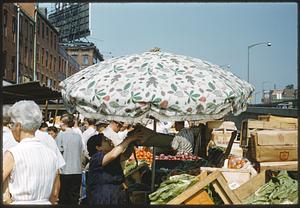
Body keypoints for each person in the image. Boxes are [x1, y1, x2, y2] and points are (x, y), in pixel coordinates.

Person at [2, 100, 60, 204]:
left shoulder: (13, 154)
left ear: (18, 126)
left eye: (11, 124)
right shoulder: (52, 155)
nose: (11, 128)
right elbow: (55, 193)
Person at [86, 133, 140, 205]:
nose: (109, 141)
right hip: (103, 196)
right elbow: (113, 155)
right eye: (105, 140)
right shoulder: (96, 158)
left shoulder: (108, 156)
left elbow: (125, 156)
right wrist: (129, 139)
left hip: (115, 194)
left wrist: (131, 144)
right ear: (98, 147)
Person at [55, 114, 84, 205]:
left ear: (64, 123)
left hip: (65, 171)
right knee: (74, 198)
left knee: (63, 198)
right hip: (77, 170)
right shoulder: (78, 136)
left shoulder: (61, 135)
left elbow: (57, 153)